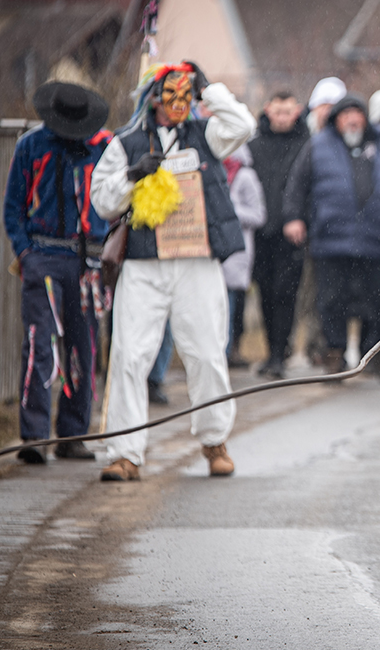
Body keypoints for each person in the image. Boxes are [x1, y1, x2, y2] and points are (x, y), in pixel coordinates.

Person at [90, 61, 256, 481]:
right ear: (154, 98)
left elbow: (243, 125)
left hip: (196, 262)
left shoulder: (206, 135)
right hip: (145, 263)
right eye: (172, 95)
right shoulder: (125, 142)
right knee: (130, 354)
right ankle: (124, 451)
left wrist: (209, 89)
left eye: (187, 95)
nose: (180, 103)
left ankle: (214, 440)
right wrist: (131, 176)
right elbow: (102, 201)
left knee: (205, 352)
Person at [3, 82, 112, 463]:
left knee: (84, 348)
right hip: (44, 257)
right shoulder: (30, 147)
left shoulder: (103, 147)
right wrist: (26, 253)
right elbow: (13, 207)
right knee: (40, 345)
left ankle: (73, 434)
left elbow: (117, 199)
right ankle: (33, 437)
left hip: (89, 263)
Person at [283, 94, 380, 378]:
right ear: (336, 119)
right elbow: (297, 184)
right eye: (345, 115)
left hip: (377, 238)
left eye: (356, 114)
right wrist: (293, 217)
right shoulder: (318, 145)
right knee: (331, 301)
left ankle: (378, 356)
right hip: (331, 239)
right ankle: (334, 355)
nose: (351, 120)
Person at [249, 90, 311, 379]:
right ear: (268, 110)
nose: (283, 118)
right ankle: (271, 350)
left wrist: (299, 218)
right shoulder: (254, 145)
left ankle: (279, 351)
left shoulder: (306, 144)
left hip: (292, 233)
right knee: (264, 292)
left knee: (285, 293)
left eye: (288, 112)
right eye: (278, 112)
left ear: (296, 111)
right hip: (261, 230)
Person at [222, 145, 265, 367]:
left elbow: (258, 215)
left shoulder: (246, 177)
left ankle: (227, 352)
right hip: (210, 253)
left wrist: (229, 211)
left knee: (230, 306)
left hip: (235, 251)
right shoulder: (210, 170)